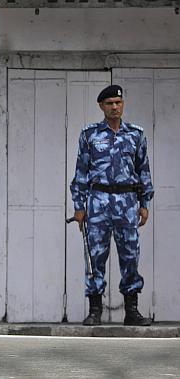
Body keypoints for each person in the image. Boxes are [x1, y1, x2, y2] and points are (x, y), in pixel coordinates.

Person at [70, 85, 154, 326]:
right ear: (101, 106)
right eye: (109, 103)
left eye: (118, 102)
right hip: (98, 202)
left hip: (127, 203)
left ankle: (132, 310)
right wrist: (79, 206)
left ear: (123, 104)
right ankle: (95, 310)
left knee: (130, 256)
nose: (114, 107)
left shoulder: (136, 135)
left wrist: (144, 202)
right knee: (95, 256)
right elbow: (81, 172)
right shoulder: (89, 135)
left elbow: (143, 170)